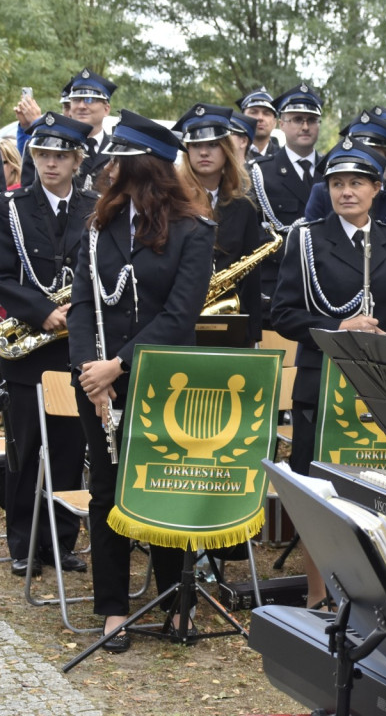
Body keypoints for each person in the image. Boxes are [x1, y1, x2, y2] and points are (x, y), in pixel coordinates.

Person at [67, 110, 216, 652]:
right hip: (96, 384)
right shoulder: (97, 227)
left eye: (116, 159)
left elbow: (178, 317)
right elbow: (83, 304)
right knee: (105, 491)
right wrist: (91, 373)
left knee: (164, 489)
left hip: (163, 382)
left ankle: (178, 603)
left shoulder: (194, 233)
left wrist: (118, 366)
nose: (106, 167)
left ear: (141, 167)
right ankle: (112, 609)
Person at [270, 137, 386, 608]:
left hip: (379, 386)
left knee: (372, 491)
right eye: (337, 184)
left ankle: (378, 595)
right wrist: (339, 326)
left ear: (377, 188)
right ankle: (319, 596)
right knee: (321, 493)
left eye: (356, 183)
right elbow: (282, 314)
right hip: (322, 381)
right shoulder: (306, 237)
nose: (346, 192)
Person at [0, 113, 94, 577]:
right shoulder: (10, 208)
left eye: (60, 155)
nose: (50, 164)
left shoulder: (96, 207)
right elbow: (0, 276)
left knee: (68, 447)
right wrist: (41, 311)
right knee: (24, 445)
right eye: (41, 154)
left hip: (76, 348)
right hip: (30, 346)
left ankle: (61, 542)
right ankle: (23, 542)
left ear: (78, 160)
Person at [173, 103, 269, 346]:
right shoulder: (171, 202)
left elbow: (251, 278)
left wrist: (252, 336)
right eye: (196, 145)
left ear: (226, 149)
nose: (204, 152)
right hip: (177, 325)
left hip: (228, 325)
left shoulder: (244, 206)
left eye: (213, 144)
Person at [303, 114, 386, 255]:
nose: (362, 158)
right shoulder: (323, 194)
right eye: (358, 151)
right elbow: (310, 250)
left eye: (371, 153)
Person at [252, 84, 323, 321]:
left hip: (325, 287)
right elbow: (255, 231)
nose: (305, 126)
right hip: (276, 286)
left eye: (311, 120)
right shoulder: (261, 172)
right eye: (297, 119)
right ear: (282, 124)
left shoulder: (333, 171)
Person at [237, 86, 280, 162]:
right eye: (253, 112)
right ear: (242, 120)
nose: (260, 118)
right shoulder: (231, 155)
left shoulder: (283, 157)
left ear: (275, 123)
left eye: (266, 113)